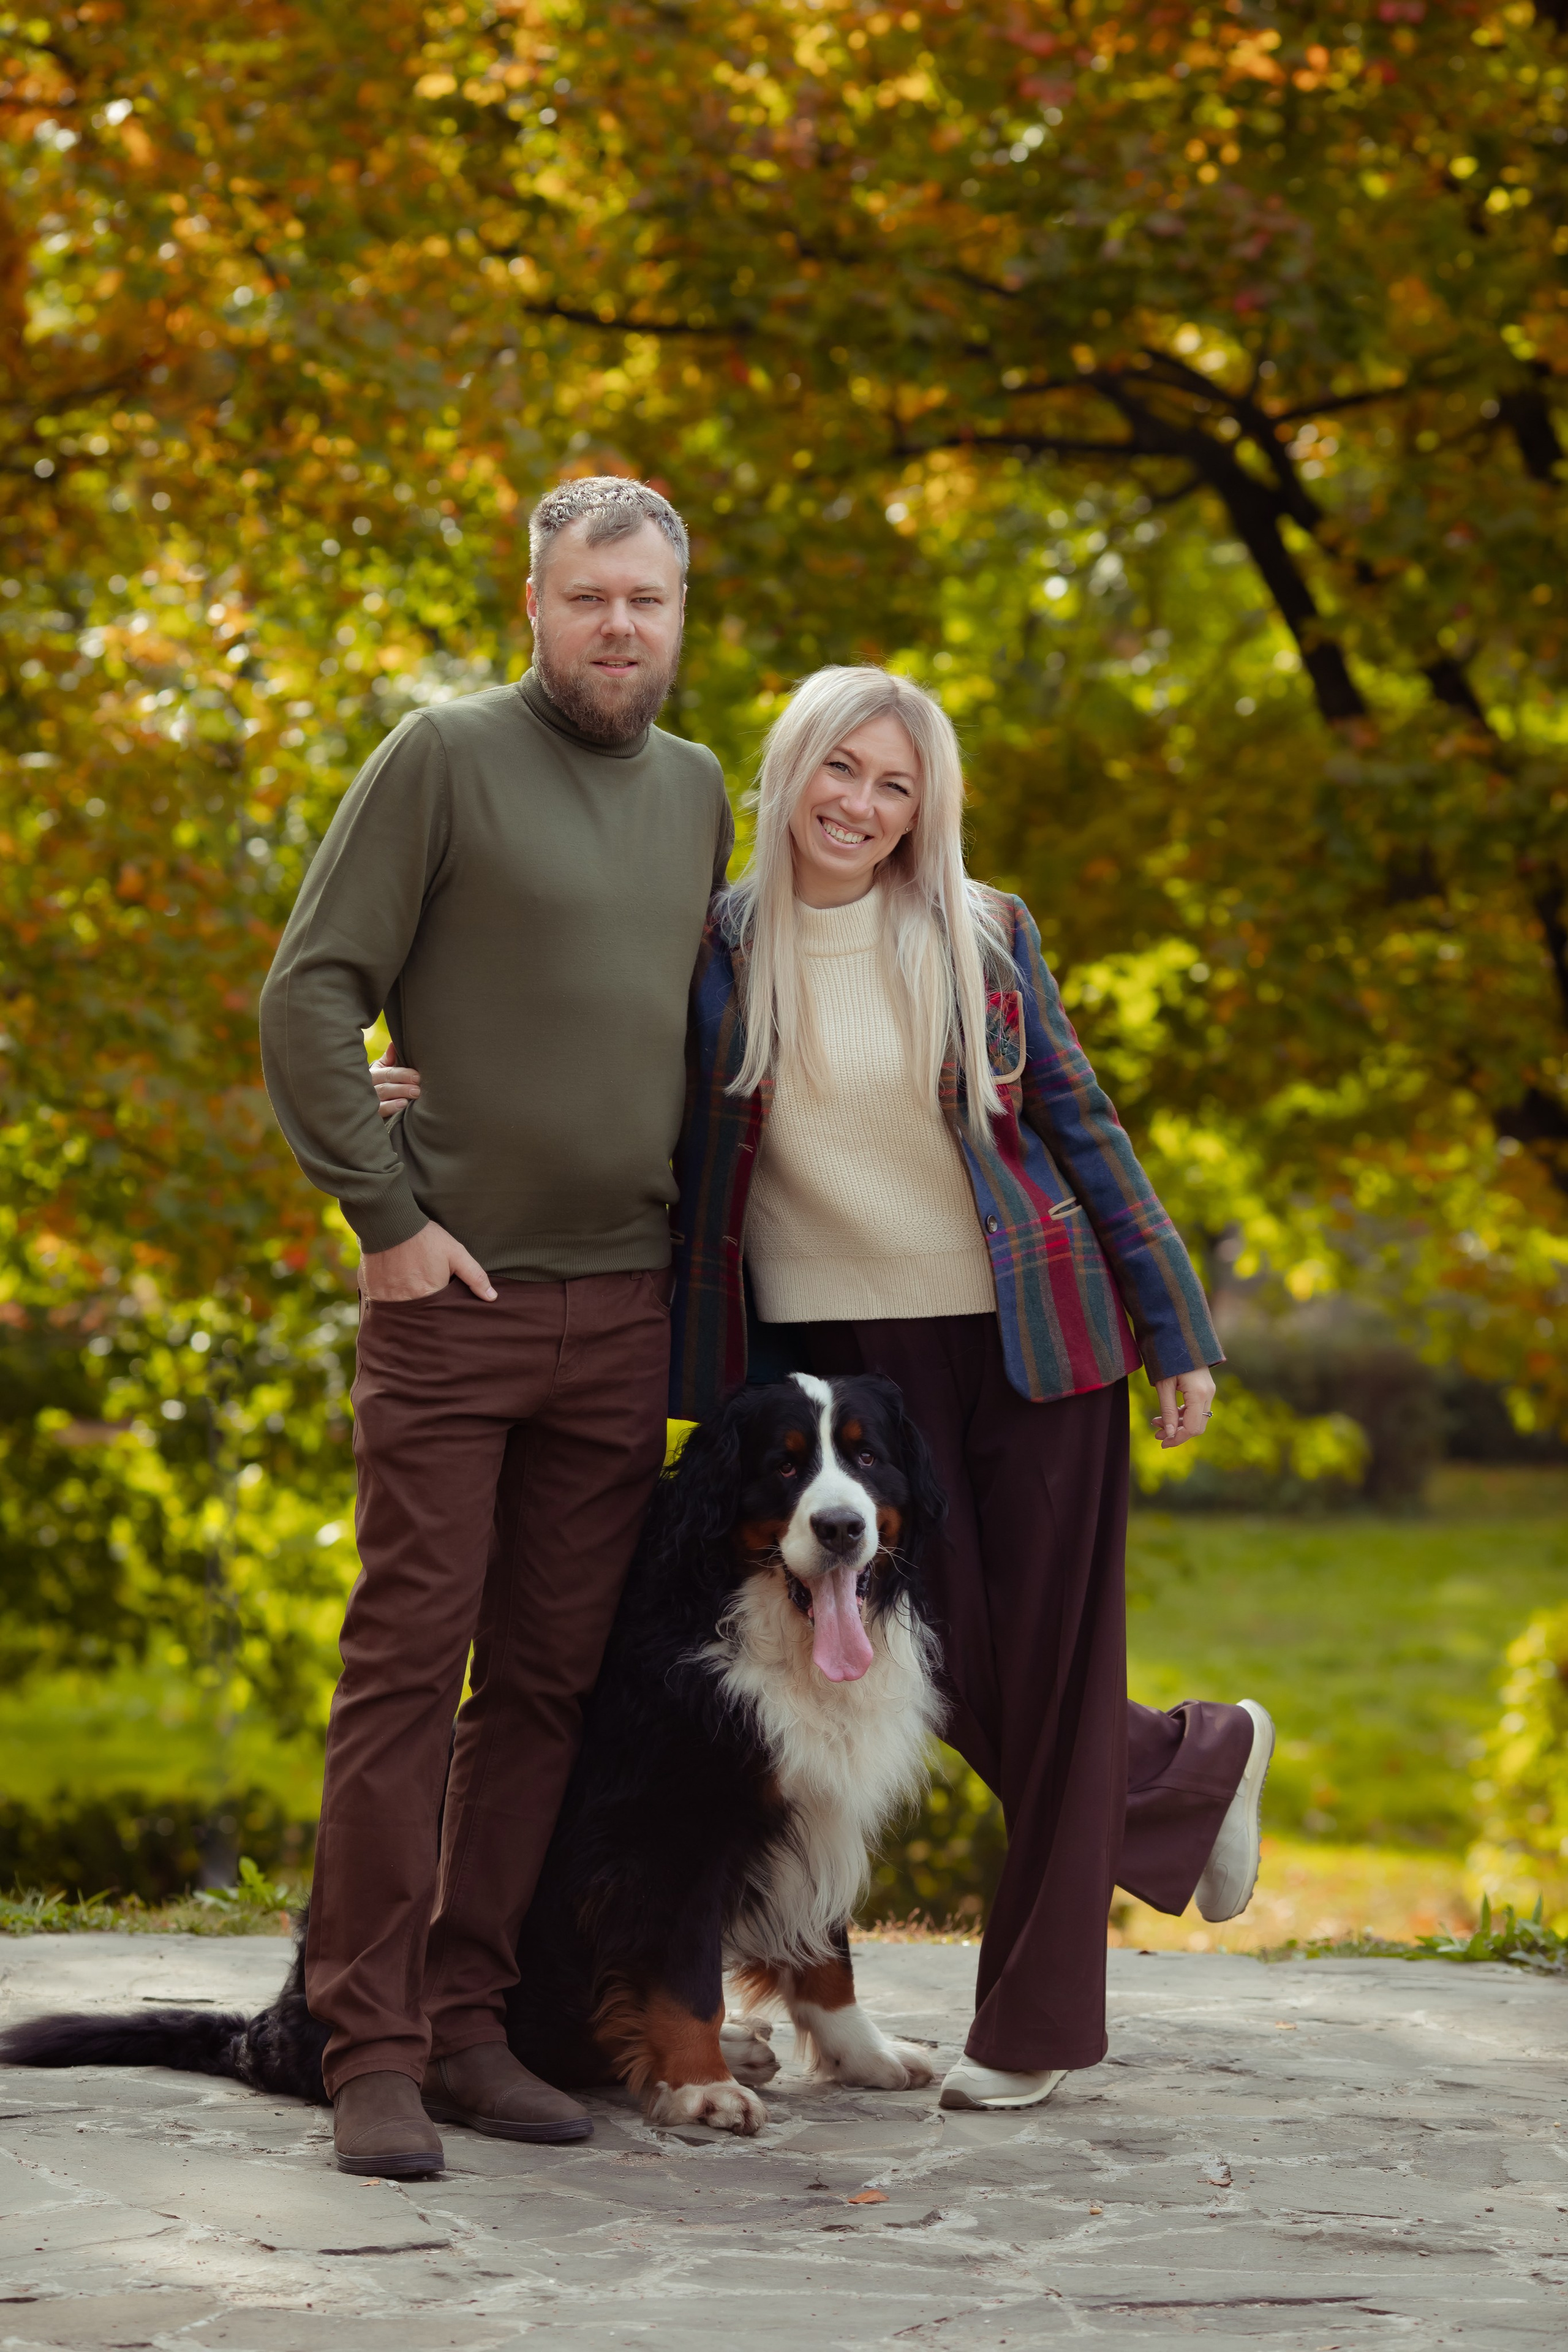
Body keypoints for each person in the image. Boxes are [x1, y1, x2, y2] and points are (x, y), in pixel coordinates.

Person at [372, 660, 1274, 2116]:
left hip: (1029, 1337)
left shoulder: (982, 935)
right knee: (933, 1666)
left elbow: (1083, 1132)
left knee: (1039, 1670)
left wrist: (1171, 1327)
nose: (859, 806)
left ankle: (1035, 2019)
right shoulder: (713, 943)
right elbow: (579, 1036)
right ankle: (1185, 1769)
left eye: (895, 785)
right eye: (838, 772)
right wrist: (414, 1074)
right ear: (788, 774)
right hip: (835, 1362)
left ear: (927, 810)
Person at [258, 478, 733, 2176]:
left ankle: (467, 2025)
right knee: (403, 1675)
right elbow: (309, 990)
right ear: (532, 602)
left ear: (682, 616)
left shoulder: (694, 795)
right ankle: (363, 2044)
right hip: (453, 1310)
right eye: (590, 595)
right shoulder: (442, 758)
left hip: (621, 1315)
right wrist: (385, 1222)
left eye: (649, 602)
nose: (620, 625)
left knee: (542, 1690)